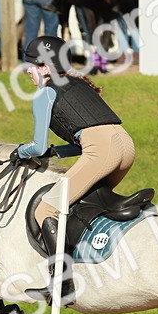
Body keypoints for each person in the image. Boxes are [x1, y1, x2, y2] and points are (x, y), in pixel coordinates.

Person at [15, 36, 136, 255]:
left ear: (43, 67)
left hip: (102, 152)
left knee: (46, 210)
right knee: (83, 202)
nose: (27, 73)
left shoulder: (45, 93)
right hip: (125, 147)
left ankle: (62, 280)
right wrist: (57, 152)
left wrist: (19, 151)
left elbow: (37, 147)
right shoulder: (80, 83)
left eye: (30, 67)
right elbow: (89, 138)